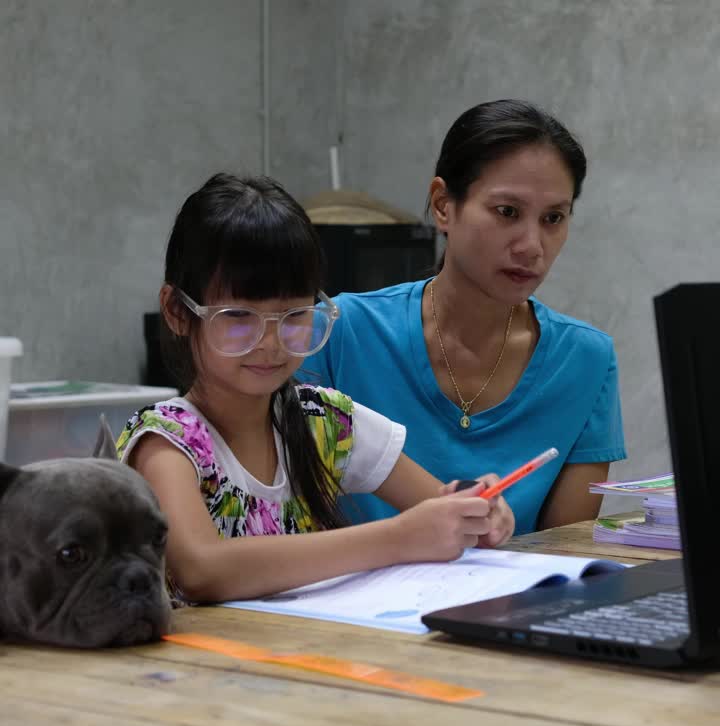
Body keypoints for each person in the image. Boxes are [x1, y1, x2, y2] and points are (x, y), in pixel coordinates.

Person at [117, 174, 514, 605]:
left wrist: (478, 513)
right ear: (177, 312)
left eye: (292, 315)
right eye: (238, 316)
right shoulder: (167, 442)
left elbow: (439, 503)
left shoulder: (325, 422)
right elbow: (203, 568)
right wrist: (398, 538)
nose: (270, 343)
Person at [300, 99, 626, 535]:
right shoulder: (340, 332)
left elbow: (565, 550)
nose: (532, 245)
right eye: (507, 212)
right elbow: (292, 515)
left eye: (553, 218)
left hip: (511, 600)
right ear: (442, 206)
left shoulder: (586, 359)